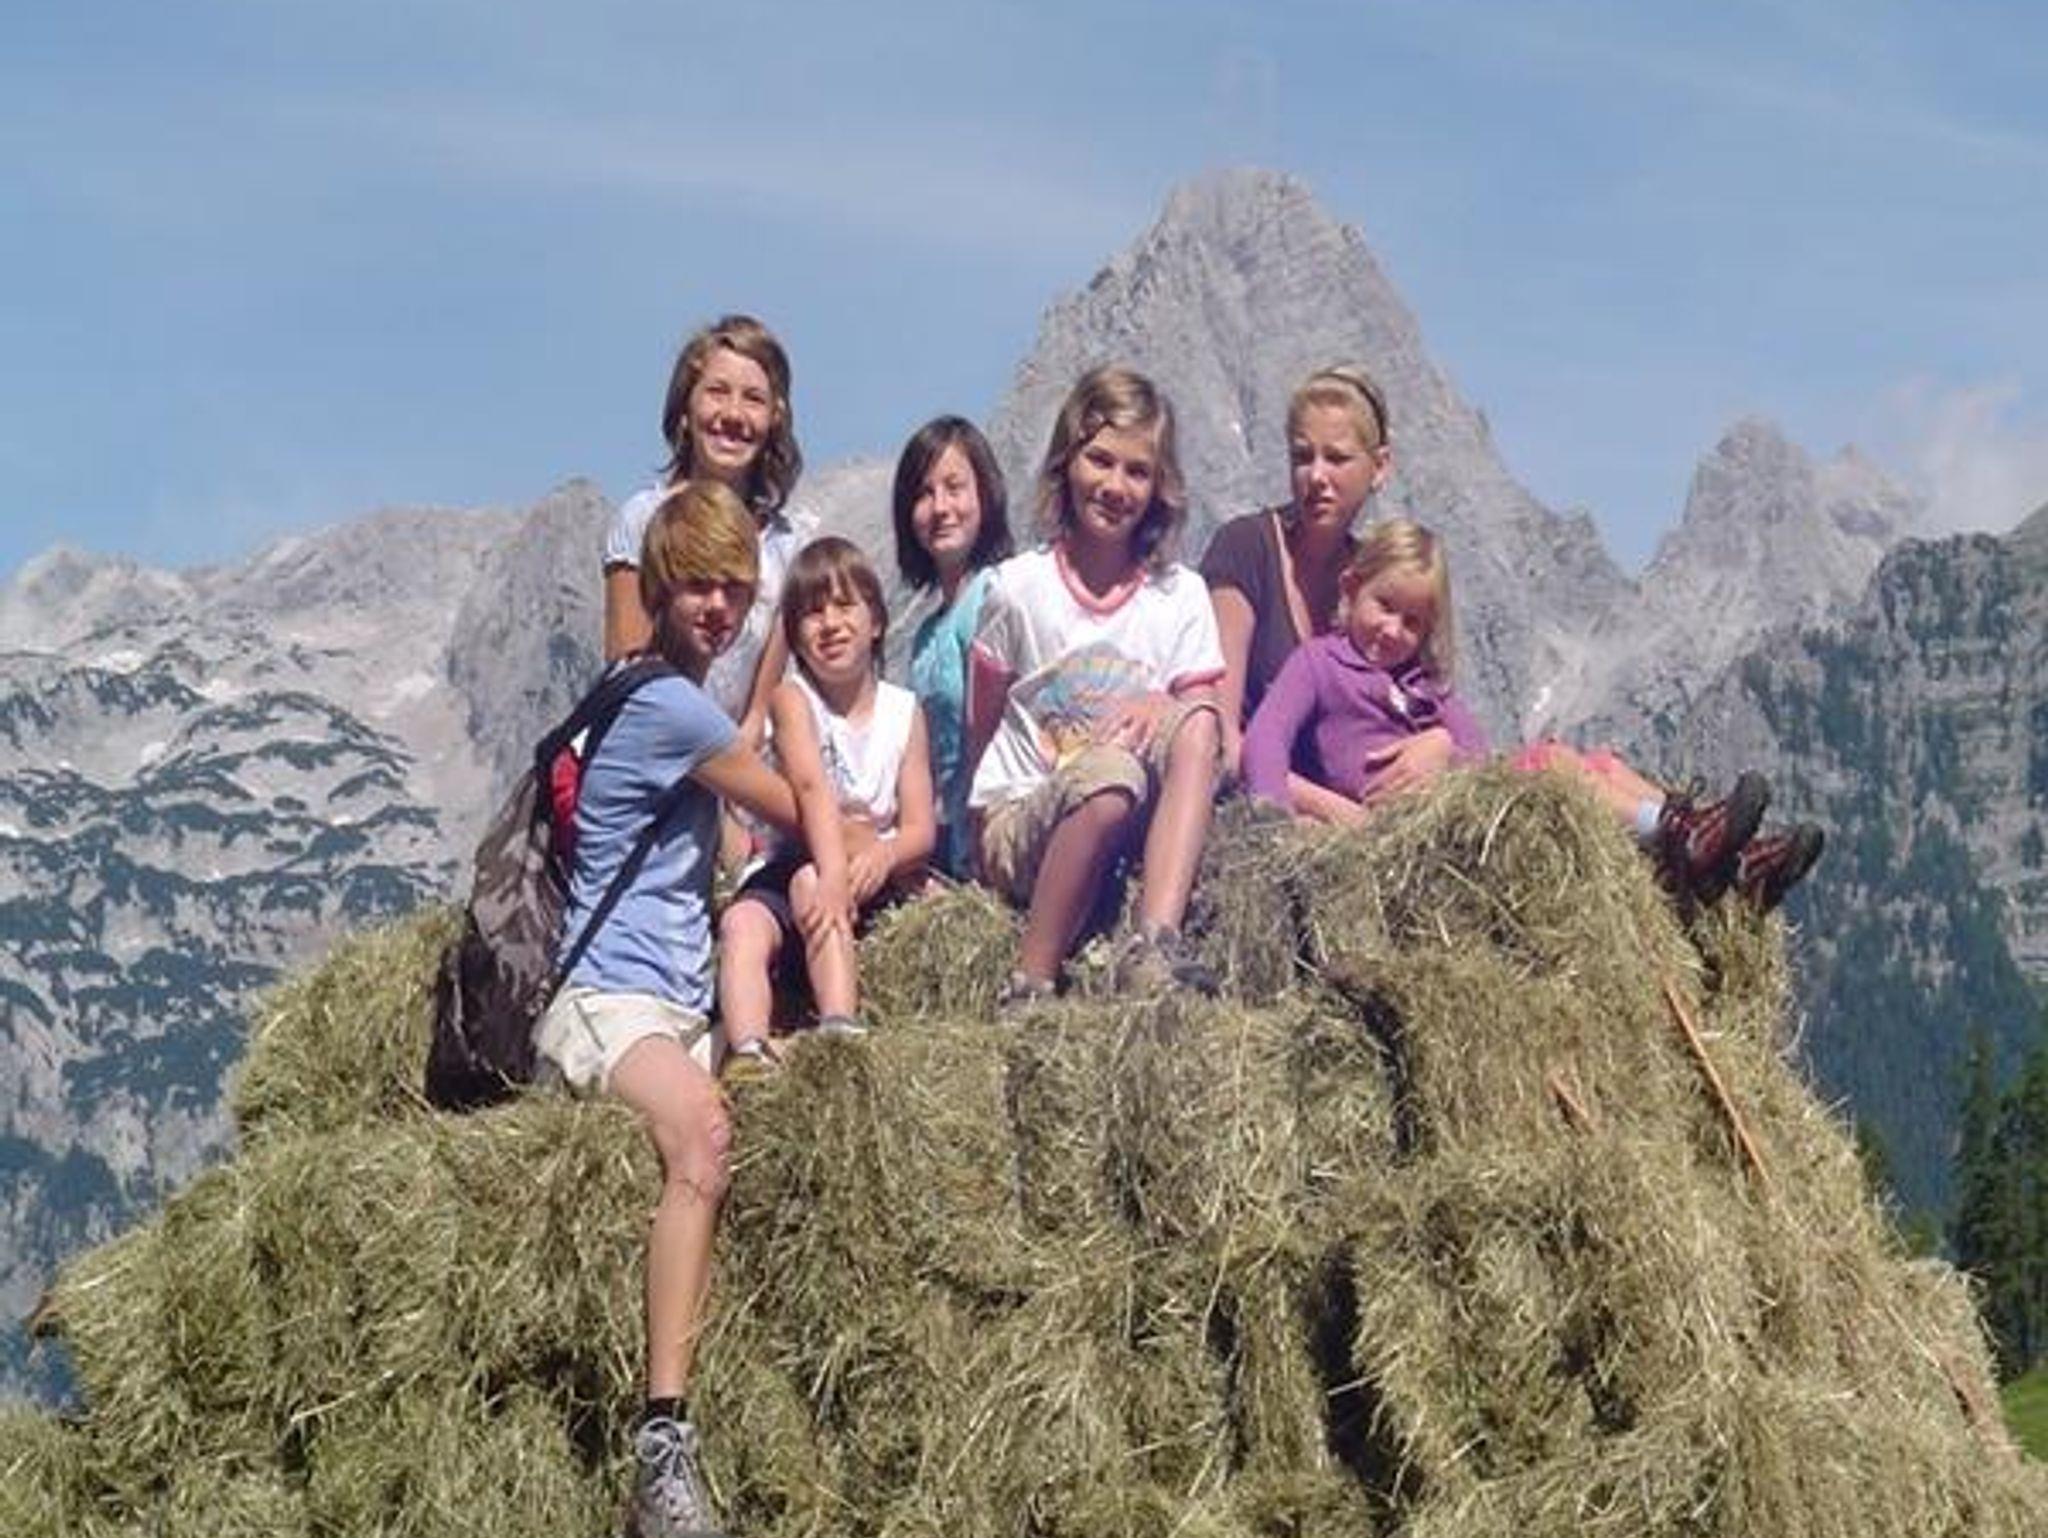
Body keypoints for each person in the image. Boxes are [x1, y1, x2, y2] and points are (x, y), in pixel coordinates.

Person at [533, 481, 834, 1538]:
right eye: (698, 584)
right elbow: (800, 806)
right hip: (607, 1001)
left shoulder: (659, 694)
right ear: (657, 587)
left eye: (734, 588)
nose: (716, 605)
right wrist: (872, 834)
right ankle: (662, 1443)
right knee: (704, 1131)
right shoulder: (667, 704)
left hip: (673, 999)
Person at [1243, 517, 1825, 910]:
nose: (1394, 630)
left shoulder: (1427, 687)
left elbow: (1479, 759)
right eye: (1384, 606)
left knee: (1601, 763)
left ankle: (1726, 857)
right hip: (1409, 835)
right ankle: (1678, 836)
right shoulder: (1318, 664)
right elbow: (1263, 741)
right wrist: (1285, 821)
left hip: (1452, 807)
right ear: (1351, 588)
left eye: (1413, 622)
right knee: (1550, 761)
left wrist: (1441, 747)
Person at [965, 365, 1225, 1007]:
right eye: (1099, 461)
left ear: (1160, 487)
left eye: (1137, 471)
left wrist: (1168, 702)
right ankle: (1030, 982)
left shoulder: (1181, 596)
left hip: (1129, 819)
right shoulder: (1017, 589)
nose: (1115, 486)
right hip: (1026, 817)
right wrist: (973, 844)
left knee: (1198, 720)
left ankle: (1154, 944)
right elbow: (981, 727)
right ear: (1066, 463)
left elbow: (1211, 731)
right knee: (1111, 775)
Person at [718, 538, 935, 1061]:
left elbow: (920, 829)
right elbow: (811, 788)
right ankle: (749, 1052)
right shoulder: (793, 699)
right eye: (812, 614)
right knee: (742, 925)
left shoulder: (904, 712)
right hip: (797, 858)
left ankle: (839, 1030)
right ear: (794, 636)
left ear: (876, 621)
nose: (830, 624)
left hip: (872, 872)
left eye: (844, 605)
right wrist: (834, 874)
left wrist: (884, 855)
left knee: (826, 885)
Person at [602, 314, 811, 745]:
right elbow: (628, 673)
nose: (733, 414)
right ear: (685, 409)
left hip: (744, 760)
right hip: (655, 752)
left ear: (775, 418)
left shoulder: (788, 545)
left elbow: (762, 705)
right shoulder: (643, 519)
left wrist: (736, 765)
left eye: (753, 399)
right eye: (717, 392)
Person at [1201, 365, 1401, 782]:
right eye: (1303, 457)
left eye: (1337, 458)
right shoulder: (1245, 549)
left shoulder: (1377, 584)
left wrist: (1437, 744)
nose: (1317, 477)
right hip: (1248, 800)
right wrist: (1335, 811)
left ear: (1380, 467)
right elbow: (1221, 740)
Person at [891, 415, 1014, 878]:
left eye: (955, 488)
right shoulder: (926, 636)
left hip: (999, 834)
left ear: (985, 494)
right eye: (924, 494)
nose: (940, 507)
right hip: (958, 847)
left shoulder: (997, 594)